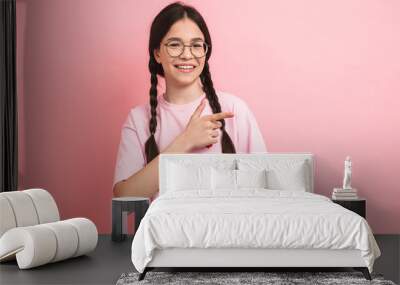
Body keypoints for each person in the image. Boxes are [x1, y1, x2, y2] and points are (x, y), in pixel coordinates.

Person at [113, 2, 267, 198]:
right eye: (175, 45)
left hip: (229, 228)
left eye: (196, 45)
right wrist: (186, 141)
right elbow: (124, 197)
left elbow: (264, 187)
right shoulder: (138, 119)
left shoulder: (234, 109)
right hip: (166, 229)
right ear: (157, 53)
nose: (187, 55)